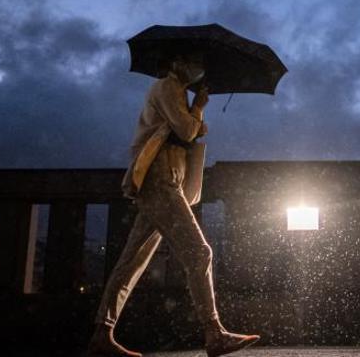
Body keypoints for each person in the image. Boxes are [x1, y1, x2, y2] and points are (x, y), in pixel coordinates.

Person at [86, 51, 260, 357]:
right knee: (199, 251)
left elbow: (190, 131)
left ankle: (103, 333)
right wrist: (199, 108)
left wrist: (196, 110)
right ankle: (214, 332)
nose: (199, 69)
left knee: (132, 260)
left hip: (166, 181)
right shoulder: (167, 87)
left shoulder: (175, 91)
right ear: (177, 61)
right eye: (196, 62)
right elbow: (187, 130)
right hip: (160, 181)